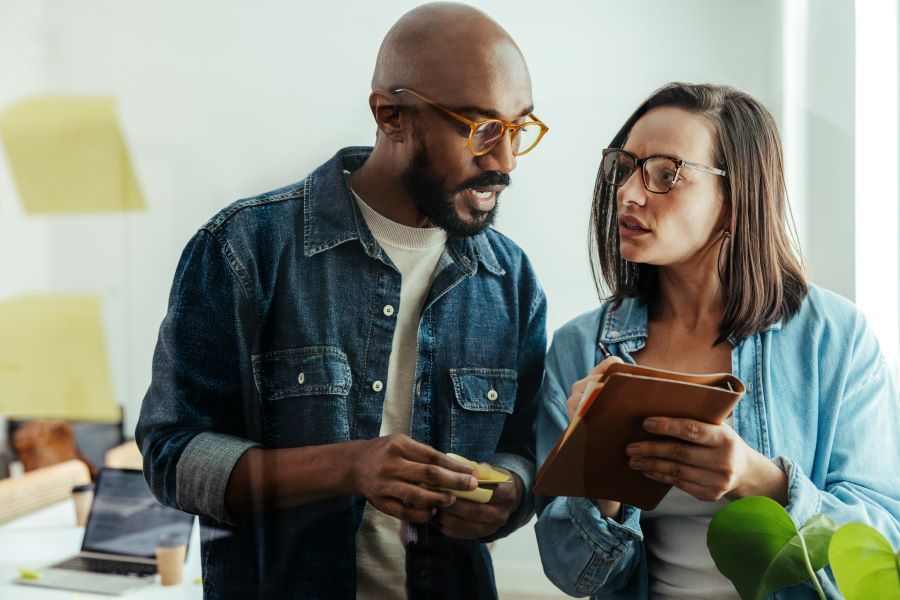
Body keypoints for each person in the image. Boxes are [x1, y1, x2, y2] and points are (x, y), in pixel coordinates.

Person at [135, 3, 549, 599]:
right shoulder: (243, 250)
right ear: (390, 115)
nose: (505, 161)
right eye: (480, 127)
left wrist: (510, 495)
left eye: (519, 128)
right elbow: (172, 457)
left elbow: (525, 452)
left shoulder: (511, 280)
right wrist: (348, 467)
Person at [534, 82, 899, 599]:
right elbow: (568, 571)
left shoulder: (835, 338)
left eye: (666, 174)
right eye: (625, 167)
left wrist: (761, 481)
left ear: (735, 197)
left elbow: (883, 546)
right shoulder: (579, 348)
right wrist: (602, 473)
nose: (628, 193)